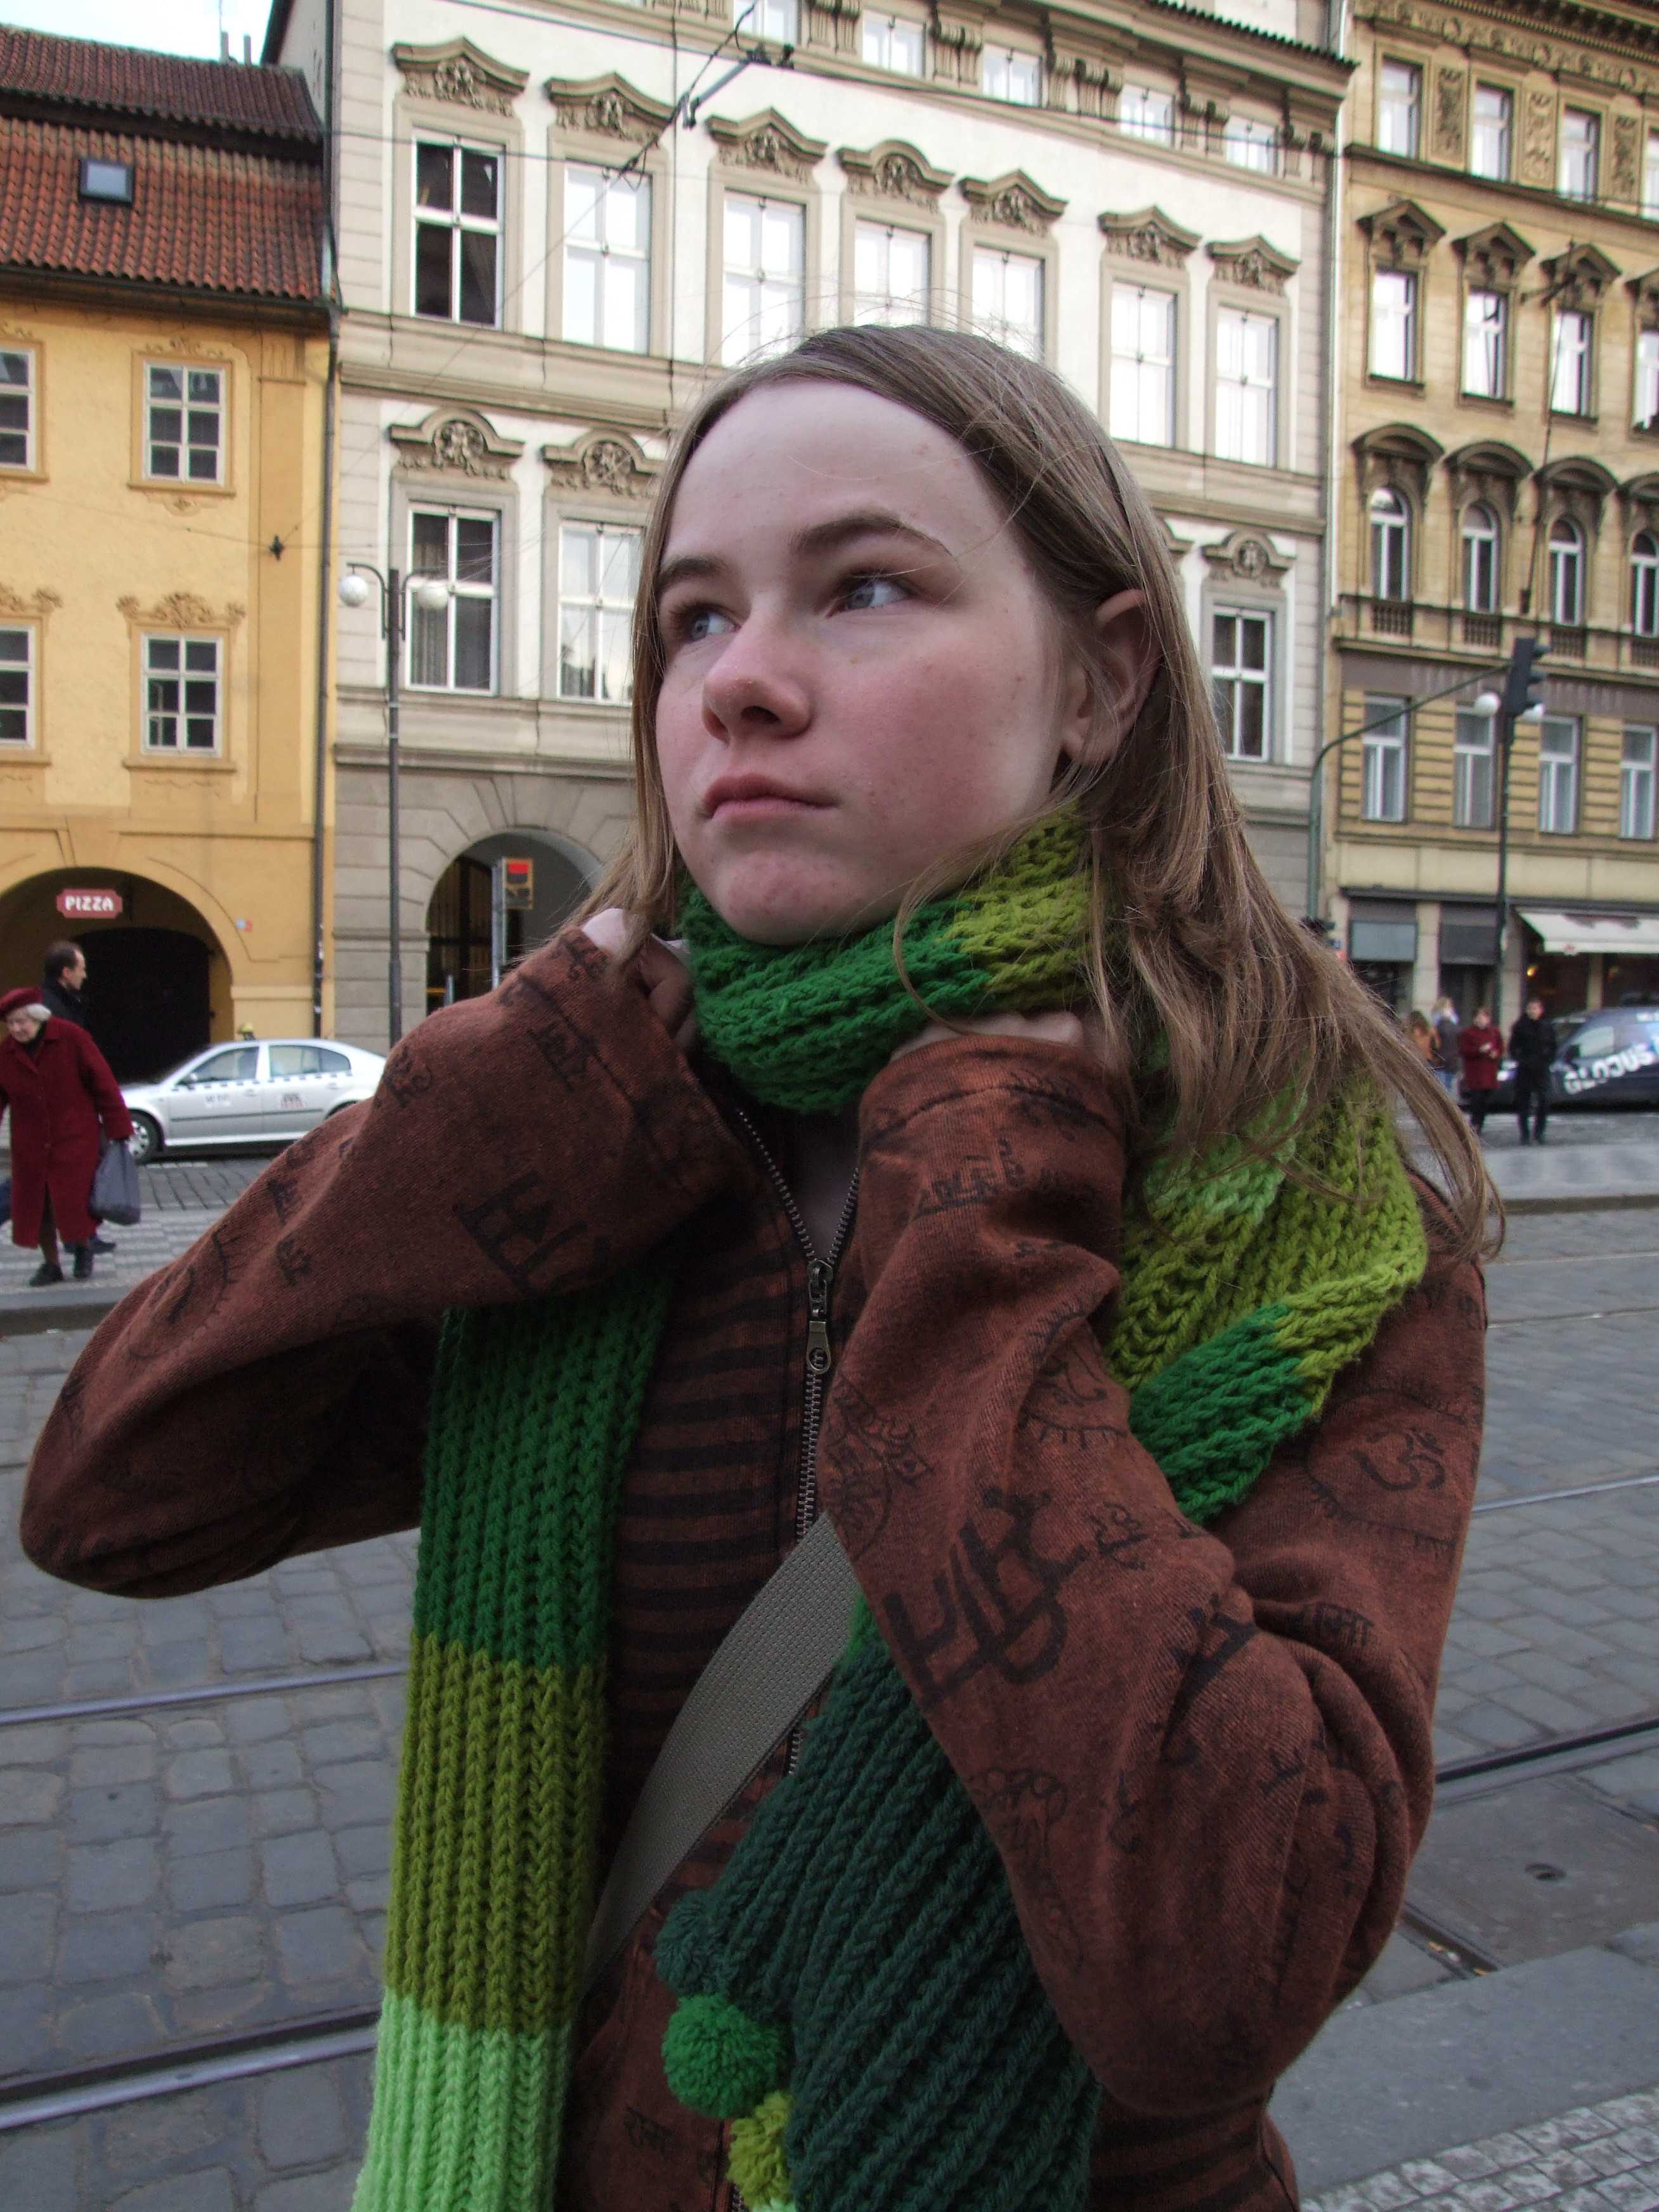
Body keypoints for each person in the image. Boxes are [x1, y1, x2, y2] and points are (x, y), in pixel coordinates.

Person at [22, 329, 1490, 2212]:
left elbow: (1223, 1960)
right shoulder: (603, 1150)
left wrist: (977, 1224)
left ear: (1101, 679)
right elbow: (112, 1496)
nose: (739, 681)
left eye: (862, 587)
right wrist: (475, 1112)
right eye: (691, 619)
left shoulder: (1309, 1217)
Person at [0, 986, 131, 1284]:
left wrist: (119, 1127)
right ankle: (51, 1264)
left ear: (38, 1017)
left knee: (73, 1203)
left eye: (22, 1022)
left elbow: (103, 1083)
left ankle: (83, 1250)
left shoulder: (71, 1038)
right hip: (30, 1145)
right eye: (11, 1023)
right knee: (38, 1208)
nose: (17, 1029)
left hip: (73, 1139)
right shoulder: (6, 1053)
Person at [39, 942, 117, 1251]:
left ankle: (83, 1238)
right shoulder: (49, 1007)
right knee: (35, 1184)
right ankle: (79, 1241)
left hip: (72, 1106)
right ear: (65, 972)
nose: (85, 975)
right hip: (61, 1109)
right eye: (81, 969)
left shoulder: (65, 1002)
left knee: (80, 1174)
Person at [1509, 995, 1558, 1144]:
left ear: (1541, 1010)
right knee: (1523, 1104)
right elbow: (1512, 1047)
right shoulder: (1520, 1026)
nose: (1533, 1011)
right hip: (1525, 1070)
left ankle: (1539, 1133)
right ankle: (1524, 1134)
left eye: (1536, 1008)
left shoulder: (1547, 1026)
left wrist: (1548, 1060)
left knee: (1544, 1100)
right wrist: (1520, 1060)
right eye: (1531, 1008)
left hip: (1542, 1069)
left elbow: (1553, 1046)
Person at [1458, 1005, 1503, 1133]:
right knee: (1476, 1099)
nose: (1480, 1020)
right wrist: (1479, 1050)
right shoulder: (1468, 1033)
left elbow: (1500, 1047)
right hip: (1475, 1072)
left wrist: (1496, 1053)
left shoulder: (1494, 1032)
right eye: (1477, 1018)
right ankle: (1474, 1124)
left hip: (1489, 1071)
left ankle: (1480, 1123)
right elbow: (1464, 1050)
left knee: (1485, 1100)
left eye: (1483, 1017)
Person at [40, 940, 88, 1027]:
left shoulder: (68, 1003)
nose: (84, 976)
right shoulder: (52, 1010)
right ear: (67, 973)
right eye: (82, 970)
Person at [1429, 994, 1461, 1095]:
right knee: (1445, 1088)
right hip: (1445, 1059)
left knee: (1446, 1087)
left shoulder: (1452, 1022)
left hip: (1447, 1059)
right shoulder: (1440, 1022)